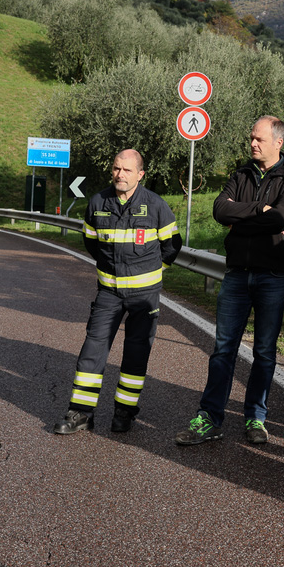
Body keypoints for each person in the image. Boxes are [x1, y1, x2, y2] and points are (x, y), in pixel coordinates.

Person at [175, 116, 284, 446]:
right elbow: (221, 210)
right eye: (251, 137)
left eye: (259, 139)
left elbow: (283, 217)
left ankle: (256, 418)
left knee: (264, 351)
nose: (252, 143)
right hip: (236, 274)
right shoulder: (241, 174)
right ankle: (210, 417)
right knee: (223, 348)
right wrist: (260, 211)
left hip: (272, 277)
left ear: (278, 142)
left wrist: (246, 215)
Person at [54, 149, 181, 434]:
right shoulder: (98, 202)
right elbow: (91, 242)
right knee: (92, 351)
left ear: (140, 174)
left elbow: (172, 246)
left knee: (136, 354)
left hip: (144, 296)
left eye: (126, 170)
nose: (119, 175)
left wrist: (152, 273)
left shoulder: (157, 206)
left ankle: (124, 412)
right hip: (108, 293)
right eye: (115, 169)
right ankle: (80, 413)